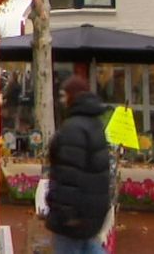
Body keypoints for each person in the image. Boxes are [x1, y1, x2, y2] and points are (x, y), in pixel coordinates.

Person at [44, 75, 111, 254]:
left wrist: (65, 213)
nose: (62, 100)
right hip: (92, 209)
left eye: (64, 95)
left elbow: (68, 175)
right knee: (90, 246)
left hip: (73, 214)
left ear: (73, 96)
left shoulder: (72, 128)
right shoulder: (95, 124)